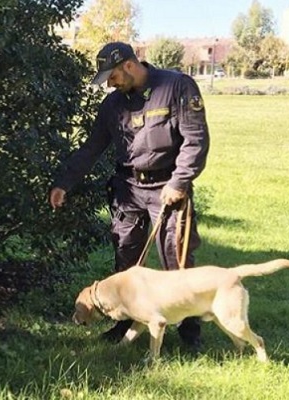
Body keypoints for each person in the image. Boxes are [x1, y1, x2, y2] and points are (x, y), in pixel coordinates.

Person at [49, 42, 210, 351]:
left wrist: (178, 183)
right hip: (128, 190)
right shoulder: (112, 105)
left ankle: (189, 332)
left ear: (129, 65)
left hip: (168, 188)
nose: (110, 83)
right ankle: (125, 322)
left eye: (112, 76)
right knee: (125, 259)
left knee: (177, 260)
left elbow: (196, 141)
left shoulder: (176, 87)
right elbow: (92, 147)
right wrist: (64, 183)